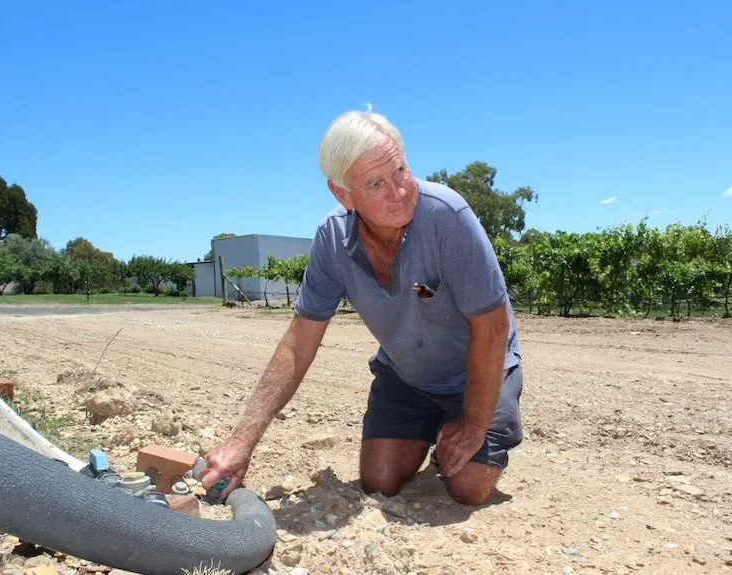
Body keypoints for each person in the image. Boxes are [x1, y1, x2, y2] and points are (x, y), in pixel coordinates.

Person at [199, 110, 524, 505]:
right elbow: (299, 343)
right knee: (378, 482)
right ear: (343, 194)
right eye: (375, 183)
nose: (399, 192)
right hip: (407, 377)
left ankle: (458, 428)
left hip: (477, 371)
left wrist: (473, 423)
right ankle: (433, 427)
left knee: (469, 488)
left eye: (400, 170)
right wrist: (241, 443)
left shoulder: (447, 216)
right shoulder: (332, 239)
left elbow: (492, 325)